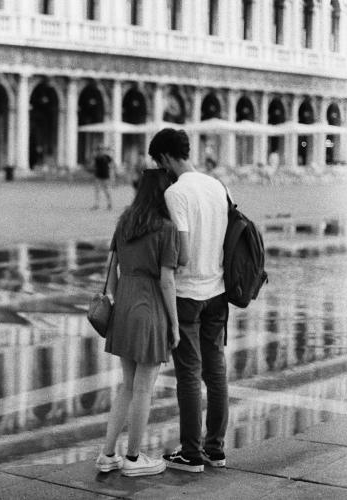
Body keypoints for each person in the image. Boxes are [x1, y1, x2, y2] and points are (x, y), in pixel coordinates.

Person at [148, 128, 229, 474]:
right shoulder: (218, 186)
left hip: (187, 295)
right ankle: (216, 449)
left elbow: (182, 252)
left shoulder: (176, 192)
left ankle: (191, 452)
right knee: (216, 370)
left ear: (166, 158)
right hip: (218, 291)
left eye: (159, 162)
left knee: (189, 375)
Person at [95, 168, 182, 477]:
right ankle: (133, 458)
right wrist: (174, 324)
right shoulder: (166, 228)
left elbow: (113, 269)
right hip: (150, 306)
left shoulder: (125, 222)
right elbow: (167, 280)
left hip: (125, 305)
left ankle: (108, 454)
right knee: (144, 387)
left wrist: (120, 305)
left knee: (127, 386)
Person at [91, 146, 113, 210]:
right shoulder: (97, 157)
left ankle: (109, 203)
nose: (100, 151)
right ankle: (97, 204)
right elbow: (93, 166)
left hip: (105, 176)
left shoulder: (107, 157)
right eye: (99, 150)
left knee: (106, 191)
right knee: (97, 191)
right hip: (98, 176)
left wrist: (112, 175)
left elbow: (111, 165)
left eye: (102, 150)